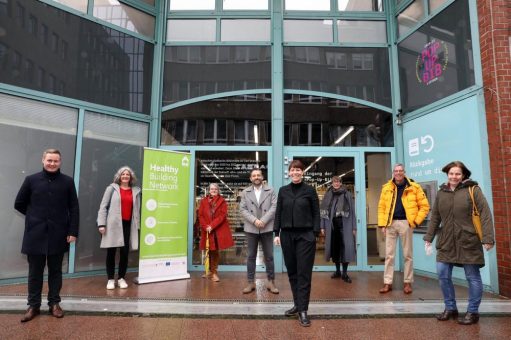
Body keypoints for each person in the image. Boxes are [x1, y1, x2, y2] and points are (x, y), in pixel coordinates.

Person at [423, 161, 495, 325]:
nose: (454, 176)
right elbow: (435, 216)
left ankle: (473, 312)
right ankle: (450, 308)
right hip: (446, 240)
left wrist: (488, 238)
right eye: (451, 173)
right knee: (442, 274)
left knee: (472, 277)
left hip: (468, 240)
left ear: (463, 175)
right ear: (447, 175)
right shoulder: (442, 192)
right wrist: (429, 237)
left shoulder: (473, 190)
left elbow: (485, 213)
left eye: (457, 174)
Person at [14, 149, 79, 322]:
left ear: (60, 162)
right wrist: (34, 216)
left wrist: (73, 231)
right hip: (35, 234)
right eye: (49, 160)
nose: (52, 163)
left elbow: (74, 208)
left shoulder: (67, 182)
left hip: (59, 234)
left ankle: (54, 304)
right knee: (34, 272)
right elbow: (19, 203)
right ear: (43, 160)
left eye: (55, 161)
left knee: (55, 272)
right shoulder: (31, 180)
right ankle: (33, 305)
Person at [274, 160, 320, 327]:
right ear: (289, 172)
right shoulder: (283, 191)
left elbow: (316, 212)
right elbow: (278, 212)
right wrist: (276, 233)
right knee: (292, 272)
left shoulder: (309, 190)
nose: (295, 172)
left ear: (303, 172)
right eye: (293, 170)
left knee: (304, 273)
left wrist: (314, 233)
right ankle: (297, 304)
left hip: (305, 236)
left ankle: (303, 310)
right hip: (287, 236)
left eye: (298, 170)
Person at [377, 163, 429, 294]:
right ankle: (387, 283)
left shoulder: (414, 187)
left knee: (408, 255)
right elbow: (381, 207)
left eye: (401, 171)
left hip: (406, 223)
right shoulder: (386, 187)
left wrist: (415, 222)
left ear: (404, 172)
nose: (398, 173)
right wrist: (382, 224)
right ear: (393, 173)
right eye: (396, 171)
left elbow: (425, 206)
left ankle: (407, 283)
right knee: (389, 255)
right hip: (390, 223)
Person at [97, 166, 141, 290]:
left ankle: (121, 278)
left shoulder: (136, 191)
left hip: (128, 225)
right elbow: (103, 207)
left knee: (125, 253)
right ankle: (110, 279)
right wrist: (101, 224)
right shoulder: (111, 189)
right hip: (112, 225)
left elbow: (137, 209)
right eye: (123, 174)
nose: (125, 176)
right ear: (119, 176)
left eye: (128, 174)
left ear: (131, 177)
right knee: (111, 253)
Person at [239, 168, 278, 294]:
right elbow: (243, 209)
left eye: (258, 175)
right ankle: (251, 282)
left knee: (269, 257)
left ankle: (271, 282)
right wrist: (255, 221)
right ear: (251, 178)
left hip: (266, 227)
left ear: (262, 177)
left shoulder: (270, 190)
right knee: (251, 256)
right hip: (251, 228)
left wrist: (264, 220)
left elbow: (274, 206)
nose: (256, 177)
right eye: (254, 175)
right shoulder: (245, 192)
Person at [320, 176, 357, 283]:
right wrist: (322, 226)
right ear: (331, 183)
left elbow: (353, 212)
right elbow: (323, 212)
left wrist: (354, 227)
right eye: (334, 182)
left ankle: (345, 273)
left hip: (345, 225)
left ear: (341, 183)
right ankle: (337, 271)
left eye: (338, 182)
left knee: (345, 249)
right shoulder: (328, 194)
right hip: (331, 226)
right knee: (335, 249)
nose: (336, 184)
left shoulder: (347, 194)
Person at [198, 183, 234, 282]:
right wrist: (206, 226)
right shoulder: (203, 201)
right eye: (212, 189)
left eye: (215, 189)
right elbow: (200, 215)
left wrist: (211, 225)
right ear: (209, 190)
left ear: (218, 190)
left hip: (217, 230)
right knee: (208, 250)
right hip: (207, 231)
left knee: (215, 251)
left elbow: (222, 216)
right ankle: (209, 271)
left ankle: (214, 272)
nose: (213, 190)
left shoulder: (222, 201)